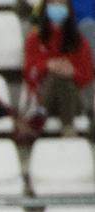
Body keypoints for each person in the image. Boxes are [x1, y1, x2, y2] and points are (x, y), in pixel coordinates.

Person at [23, 1, 93, 137]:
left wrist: (72, 72)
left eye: (61, 4)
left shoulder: (79, 41)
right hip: (42, 95)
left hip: (74, 101)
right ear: (45, 9)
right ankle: (68, 128)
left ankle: (40, 115)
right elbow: (29, 73)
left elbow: (87, 76)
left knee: (62, 76)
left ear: (68, 9)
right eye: (52, 4)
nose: (57, 8)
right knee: (57, 74)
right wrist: (47, 65)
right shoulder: (34, 40)